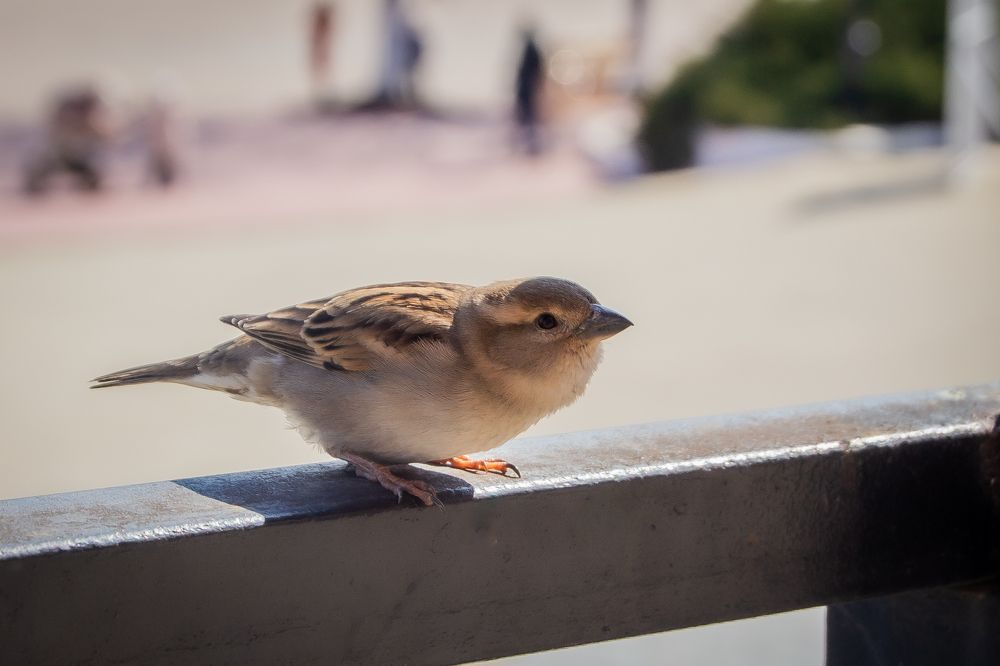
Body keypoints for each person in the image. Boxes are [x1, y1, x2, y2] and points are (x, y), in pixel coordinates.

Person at [23, 85, 112, 194]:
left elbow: (102, 135)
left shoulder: (90, 122)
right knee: (43, 168)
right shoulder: (68, 116)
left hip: (77, 157)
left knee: (91, 173)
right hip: (59, 155)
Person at [514, 29, 545, 155]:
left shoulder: (531, 50)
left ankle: (532, 146)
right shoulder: (529, 50)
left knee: (529, 118)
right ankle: (529, 144)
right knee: (526, 118)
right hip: (526, 90)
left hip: (528, 90)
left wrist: (535, 88)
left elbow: (536, 72)